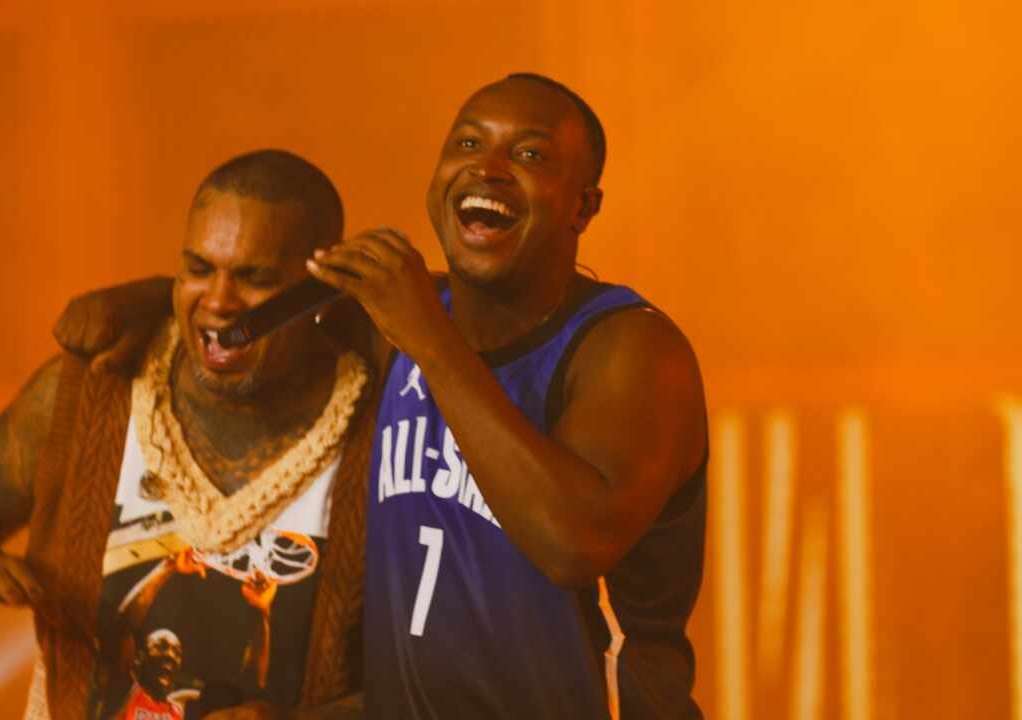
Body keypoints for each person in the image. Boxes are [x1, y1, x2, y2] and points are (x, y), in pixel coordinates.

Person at [57, 73, 709, 719]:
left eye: (530, 154)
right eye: (468, 144)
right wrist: (146, 299)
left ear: (583, 207)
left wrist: (429, 338)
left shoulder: (631, 351)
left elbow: (576, 544)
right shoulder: (398, 319)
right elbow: (248, 307)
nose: (489, 168)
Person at [0, 150, 375, 720]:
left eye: (255, 278)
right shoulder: (93, 393)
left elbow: (443, 681)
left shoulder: (383, 431)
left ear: (320, 286)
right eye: (198, 269)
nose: (219, 301)